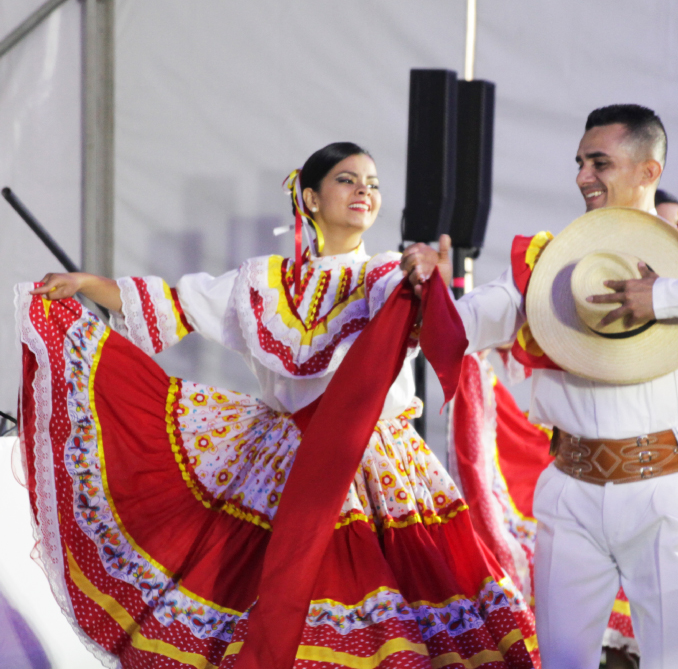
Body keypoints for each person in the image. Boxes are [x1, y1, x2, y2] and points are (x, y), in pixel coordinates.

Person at [17, 143, 537, 668]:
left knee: (389, 616)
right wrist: (86, 284)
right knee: (281, 607)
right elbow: (177, 304)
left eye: (373, 184)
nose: (364, 191)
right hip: (287, 465)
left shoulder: (387, 277)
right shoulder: (262, 283)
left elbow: (441, 325)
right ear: (309, 197)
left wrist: (430, 281)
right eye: (347, 180)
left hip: (376, 467)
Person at [439, 105, 678, 668]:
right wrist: (431, 301)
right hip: (570, 486)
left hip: (663, 485)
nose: (584, 176)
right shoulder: (552, 258)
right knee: (562, 659)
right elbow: (478, 318)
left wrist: (663, 297)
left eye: (600, 162)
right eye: (581, 162)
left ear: (648, 170)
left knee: (675, 659)